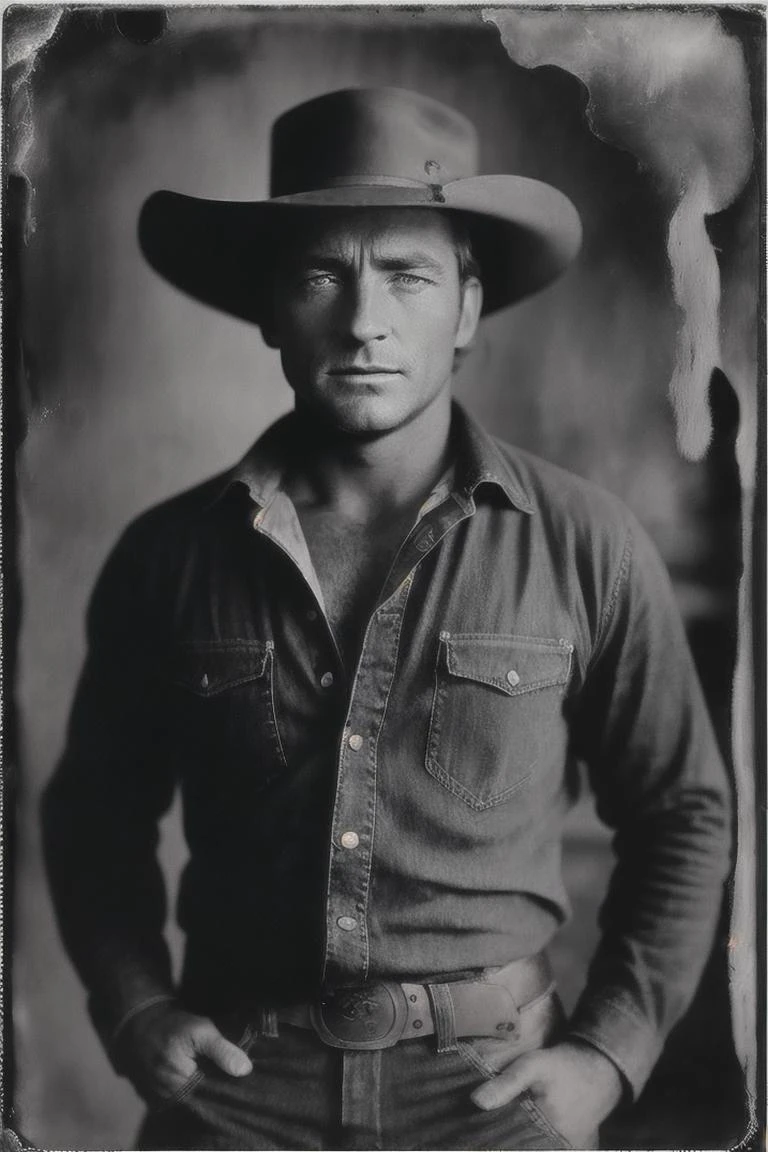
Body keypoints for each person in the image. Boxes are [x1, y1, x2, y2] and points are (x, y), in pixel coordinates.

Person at [41, 87, 732, 1151]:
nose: (364, 320)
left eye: (407, 275)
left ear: (464, 309)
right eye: (323, 273)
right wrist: (136, 1008)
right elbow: (93, 821)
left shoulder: (587, 544)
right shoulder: (170, 557)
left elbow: (684, 811)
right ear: (270, 307)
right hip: (237, 1092)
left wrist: (606, 1056)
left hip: (495, 1098)